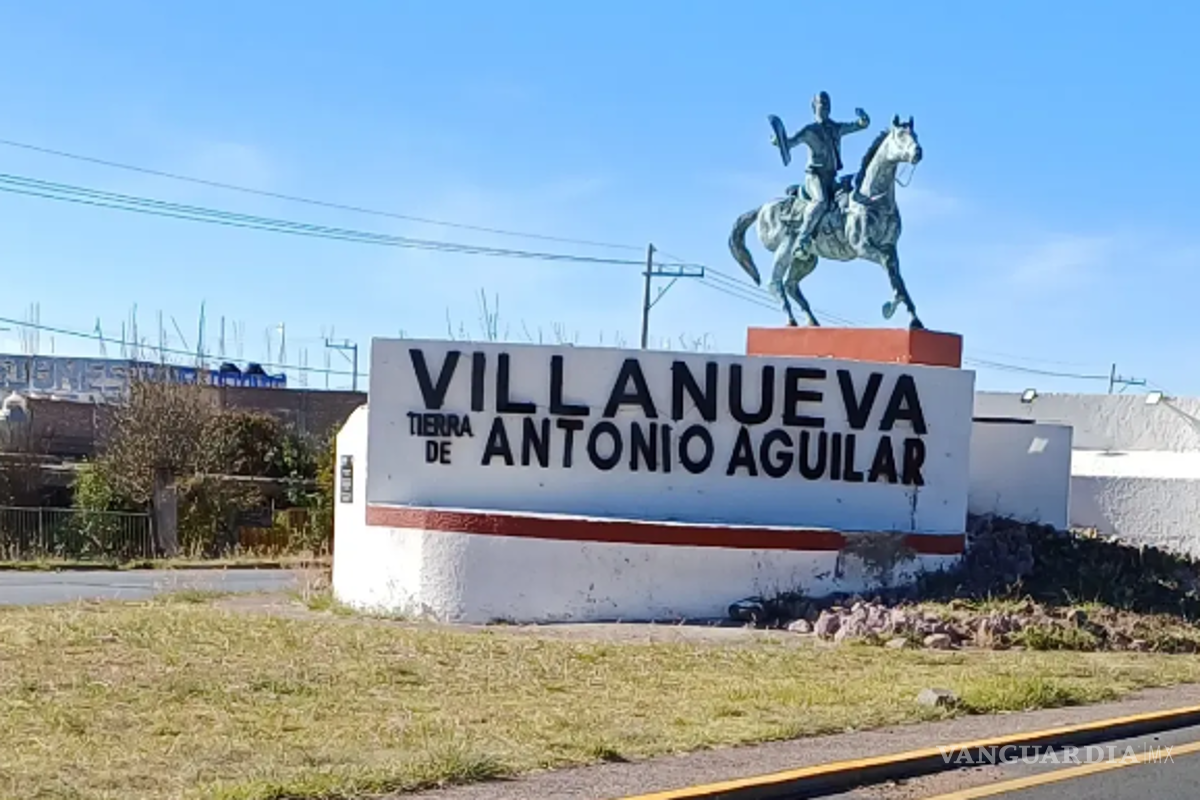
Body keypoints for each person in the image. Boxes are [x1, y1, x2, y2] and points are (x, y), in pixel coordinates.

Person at [773, 92, 870, 254]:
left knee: (850, 194)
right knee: (821, 202)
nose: (824, 106)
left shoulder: (836, 128)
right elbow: (789, 143)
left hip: (832, 177)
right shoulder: (809, 131)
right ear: (814, 106)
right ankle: (802, 240)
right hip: (815, 176)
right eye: (821, 103)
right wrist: (779, 141)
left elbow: (857, 125)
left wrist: (863, 120)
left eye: (827, 103)